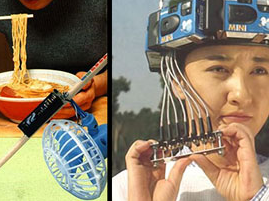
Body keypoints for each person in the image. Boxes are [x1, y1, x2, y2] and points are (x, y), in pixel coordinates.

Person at [113, 43, 269, 201]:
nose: (241, 95)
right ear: (179, 83)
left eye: (259, 71)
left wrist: (255, 197)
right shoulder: (128, 188)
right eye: (219, 69)